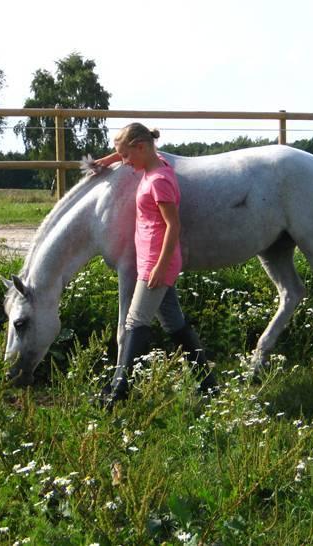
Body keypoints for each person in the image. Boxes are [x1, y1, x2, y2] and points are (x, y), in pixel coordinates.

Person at [95, 123, 217, 406]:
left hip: (156, 263)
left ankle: (118, 392)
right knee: (174, 323)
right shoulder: (153, 165)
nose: (124, 163)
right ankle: (208, 384)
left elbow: (173, 226)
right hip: (150, 260)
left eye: (126, 156)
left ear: (140, 147)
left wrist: (160, 268)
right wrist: (110, 158)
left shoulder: (159, 179)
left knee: (135, 322)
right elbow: (136, 150)